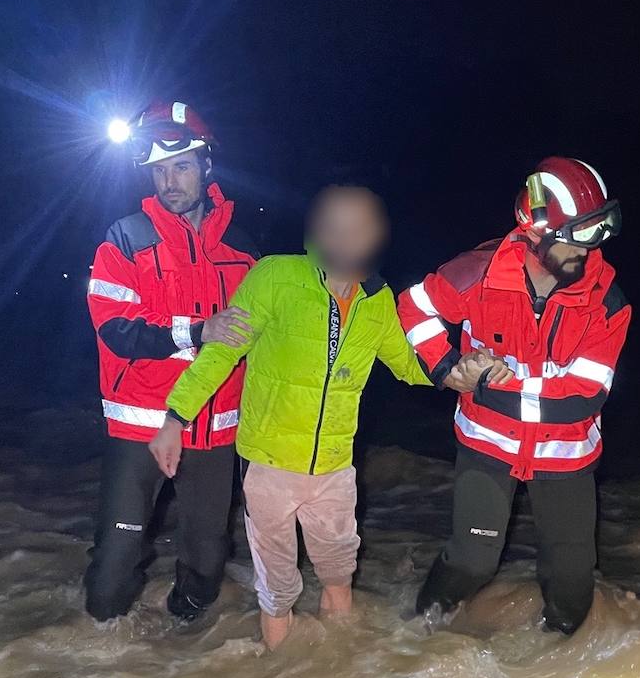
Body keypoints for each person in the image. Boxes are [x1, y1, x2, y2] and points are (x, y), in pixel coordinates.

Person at [149, 185, 499, 649]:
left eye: (362, 228)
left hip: (335, 468)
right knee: (278, 590)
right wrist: (175, 418)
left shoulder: (378, 301)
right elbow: (220, 354)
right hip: (268, 463)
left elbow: (409, 364)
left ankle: (340, 677)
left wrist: (460, 373)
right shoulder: (275, 275)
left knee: (338, 572)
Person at [398, 157, 632, 635]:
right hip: (487, 446)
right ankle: (411, 639)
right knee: (471, 561)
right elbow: (413, 306)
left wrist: (485, 384)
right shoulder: (477, 273)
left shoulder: (607, 300)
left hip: (565, 456)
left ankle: (550, 675)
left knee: (571, 584)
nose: (590, 252)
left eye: (599, 234)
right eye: (580, 236)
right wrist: (445, 367)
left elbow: (582, 398)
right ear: (536, 229)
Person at [83, 100, 261, 622]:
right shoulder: (123, 239)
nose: (169, 181)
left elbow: (264, 339)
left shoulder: (244, 251)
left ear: (207, 166)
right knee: (115, 561)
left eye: (181, 165)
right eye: (159, 170)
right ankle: (95, 664)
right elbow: (116, 328)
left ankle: (178, 662)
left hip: (214, 428)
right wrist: (197, 329)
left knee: (208, 562)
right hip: (140, 426)